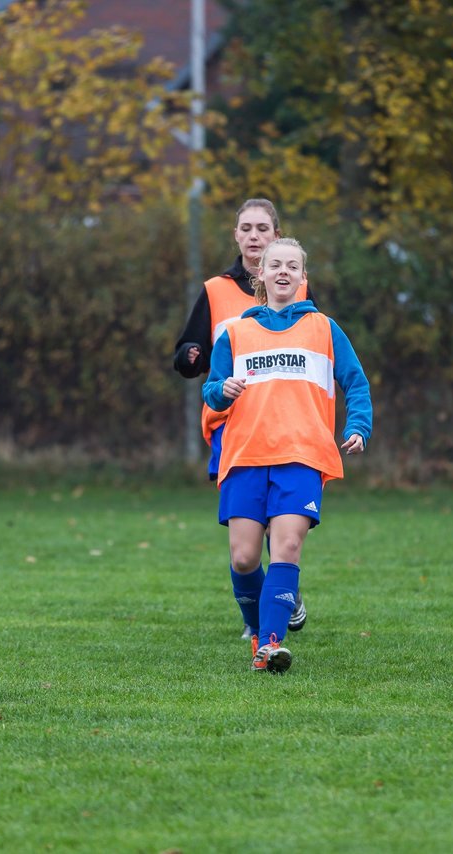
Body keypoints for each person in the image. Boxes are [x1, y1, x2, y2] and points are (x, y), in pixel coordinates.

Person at [202, 238, 372, 673]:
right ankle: (262, 626)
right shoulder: (237, 331)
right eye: (274, 264)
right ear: (259, 274)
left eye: (291, 266)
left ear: (302, 277)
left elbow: (356, 382)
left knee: (287, 546)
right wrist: (221, 391)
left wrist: (357, 427)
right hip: (244, 455)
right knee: (243, 558)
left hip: (301, 455)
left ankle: (270, 646)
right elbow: (211, 391)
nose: (282, 271)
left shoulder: (324, 328)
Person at [173, 198, 315, 637]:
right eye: (246, 229)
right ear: (236, 236)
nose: (254, 237)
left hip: (287, 426)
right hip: (231, 424)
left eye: (263, 229)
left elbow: (318, 348)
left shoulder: (298, 287)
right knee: (247, 538)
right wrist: (193, 355)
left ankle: (280, 600)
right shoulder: (216, 289)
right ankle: (257, 622)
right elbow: (185, 353)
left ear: (276, 236)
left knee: (283, 529)